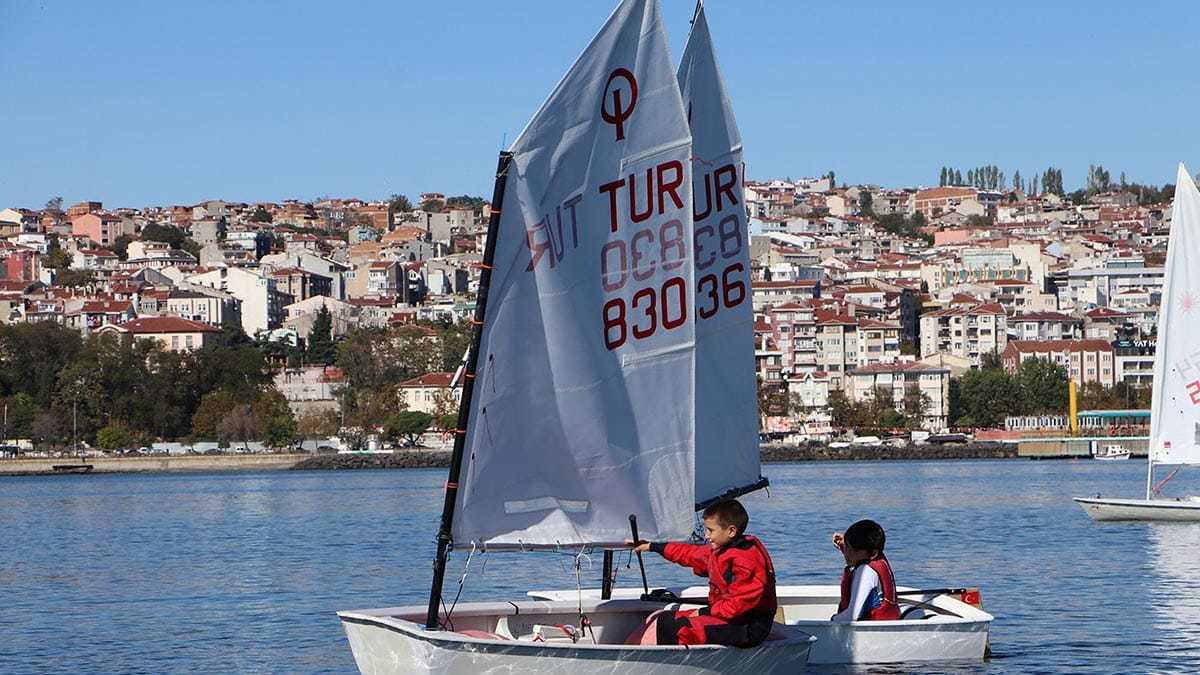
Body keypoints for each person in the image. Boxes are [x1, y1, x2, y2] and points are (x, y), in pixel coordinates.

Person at [631, 499, 777, 647]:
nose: (706, 535)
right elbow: (689, 554)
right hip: (728, 618)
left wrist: (704, 612)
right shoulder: (720, 550)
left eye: (710, 530)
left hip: (748, 627)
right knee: (665, 619)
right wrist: (652, 546)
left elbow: (738, 605)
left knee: (679, 628)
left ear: (731, 531)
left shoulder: (747, 561)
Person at [830, 519, 900, 622]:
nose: (847, 553)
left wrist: (832, 619)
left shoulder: (865, 571)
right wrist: (845, 544)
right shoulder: (874, 556)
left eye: (852, 550)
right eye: (847, 547)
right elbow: (856, 554)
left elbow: (852, 615)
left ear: (873, 553)